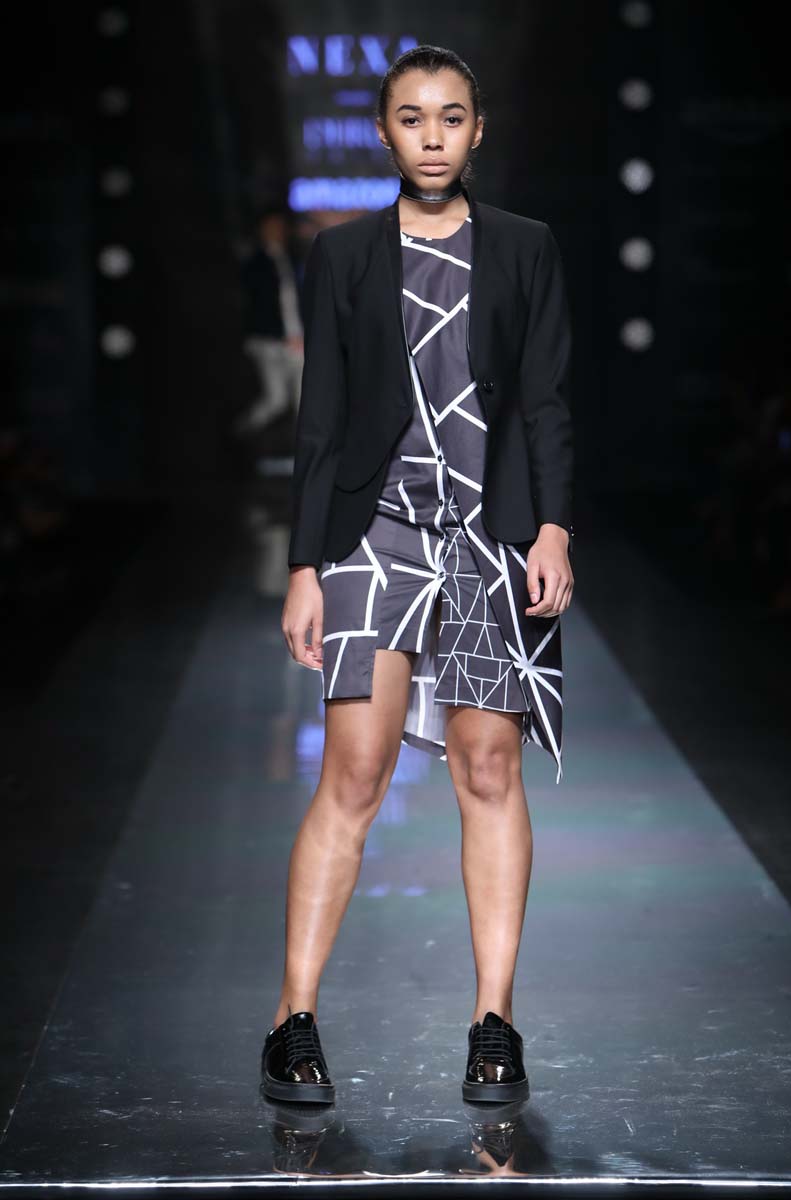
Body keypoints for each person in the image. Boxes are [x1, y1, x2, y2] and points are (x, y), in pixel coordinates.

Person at [262, 45, 575, 1107]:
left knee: (487, 770)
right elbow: (320, 417)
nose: (431, 136)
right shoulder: (344, 254)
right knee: (353, 774)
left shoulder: (524, 248)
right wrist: (304, 562)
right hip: (372, 534)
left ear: (476, 130)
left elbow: (545, 400)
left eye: (450, 116)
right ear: (383, 132)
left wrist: (554, 528)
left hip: (494, 535)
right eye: (411, 117)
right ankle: (292, 1020)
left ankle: (495, 1025)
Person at [236, 208, 304, 435]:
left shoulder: (292, 259)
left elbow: (296, 299)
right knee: (276, 399)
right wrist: (280, 335)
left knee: (304, 397)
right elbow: (259, 304)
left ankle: (306, 447)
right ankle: (241, 432)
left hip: (296, 339)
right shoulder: (256, 263)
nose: (276, 231)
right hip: (269, 340)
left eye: (280, 227)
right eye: (271, 227)